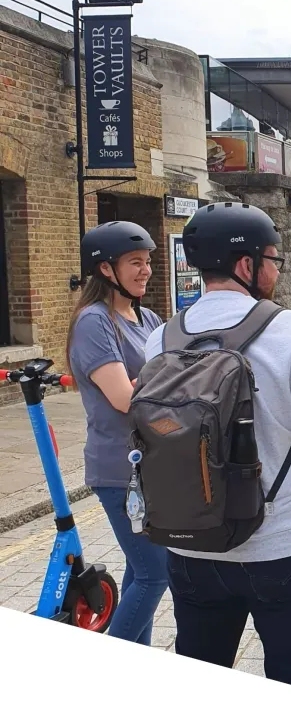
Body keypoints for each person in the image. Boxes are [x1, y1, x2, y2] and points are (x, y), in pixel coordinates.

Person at [144, 201, 291, 693]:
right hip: (286, 546)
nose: (278, 270)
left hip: (192, 544)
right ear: (246, 266)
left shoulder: (161, 338)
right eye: (275, 260)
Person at [66, 221, 168, 644]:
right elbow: (124, 398)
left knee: (139, 572)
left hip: (153, 464)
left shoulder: (147, 317)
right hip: (119, 470)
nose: (145, 270)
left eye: (147, 261)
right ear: (106, 269)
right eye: (134, 263)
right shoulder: (94, 322)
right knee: (155, 574)